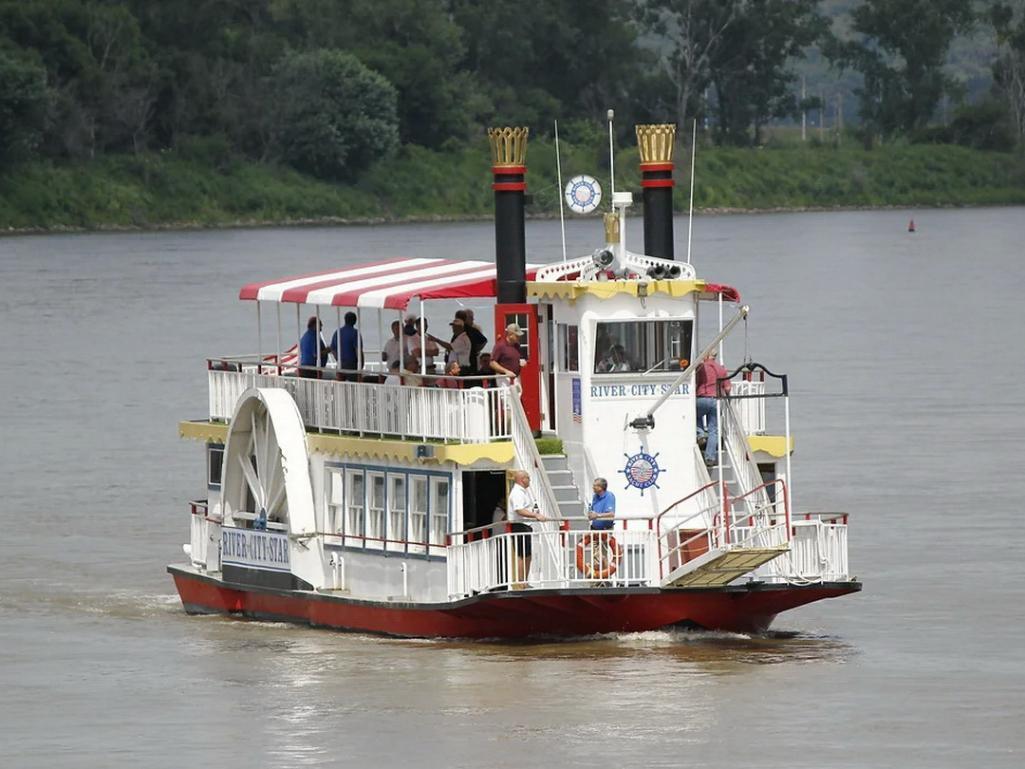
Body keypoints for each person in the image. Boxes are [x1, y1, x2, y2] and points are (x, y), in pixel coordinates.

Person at [507, 470, 545, 588]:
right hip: (519, 525)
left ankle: (525, 581)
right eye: (528, 478)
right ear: (522, 479)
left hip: (525, 525)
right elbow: (519, 510)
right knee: (523, 555)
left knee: (527, 555)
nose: (529, 480)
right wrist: (535, 515)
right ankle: (521, 582)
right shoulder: (517, 493)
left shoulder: (523, 492)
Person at [695, 349, 731, 467]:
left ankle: (700, 434)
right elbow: (727, 388)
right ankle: (710, 457)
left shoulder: (701, 367)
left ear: (705, 356)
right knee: (713, 430)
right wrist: (728, 397)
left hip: (701, 398)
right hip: (715, 400)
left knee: (694, 415)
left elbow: (694, 383)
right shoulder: (721, 369)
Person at [330, 311, 364, 377]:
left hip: (341, 364)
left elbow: (332, 349)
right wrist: (361, 364)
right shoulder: (355, 333)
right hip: (352, 365)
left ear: (345, 320)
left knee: (341, 385)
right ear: (355, 321)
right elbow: (358, 350)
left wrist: (338, 358)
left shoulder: (337, 332)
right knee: (353, 385)